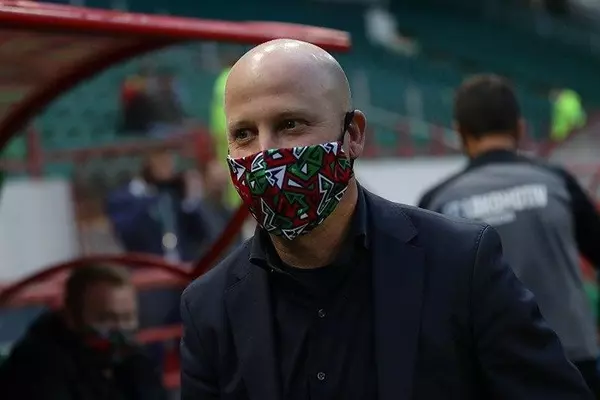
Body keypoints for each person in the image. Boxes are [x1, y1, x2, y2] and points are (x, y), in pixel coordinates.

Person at [179, 39, 592, 400]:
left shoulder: (461, 264)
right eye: (244, 134)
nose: (265, 154)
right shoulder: (208, 308)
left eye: (290, 125)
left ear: (353, 135)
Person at [418, 74, 600, 397]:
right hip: (574, 360)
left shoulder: (438, 203)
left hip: (489, 370)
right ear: (520, 128)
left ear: (460, 133)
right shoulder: (557, 182)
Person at [0, 264, 166, 400]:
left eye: (127, 317)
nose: (120, 329)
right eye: (105, 318)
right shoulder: (37, 366)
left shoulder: (134, 360)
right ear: (71, 317)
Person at [106, 148, 209, 263]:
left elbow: (200, 236)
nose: (167, 166)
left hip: (182, 266)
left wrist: (190, 201)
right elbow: (127, 234)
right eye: (160, 160)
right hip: (148, 267)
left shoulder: (173, 194)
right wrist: (150, 198)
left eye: (169, 160)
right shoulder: (124, 196)